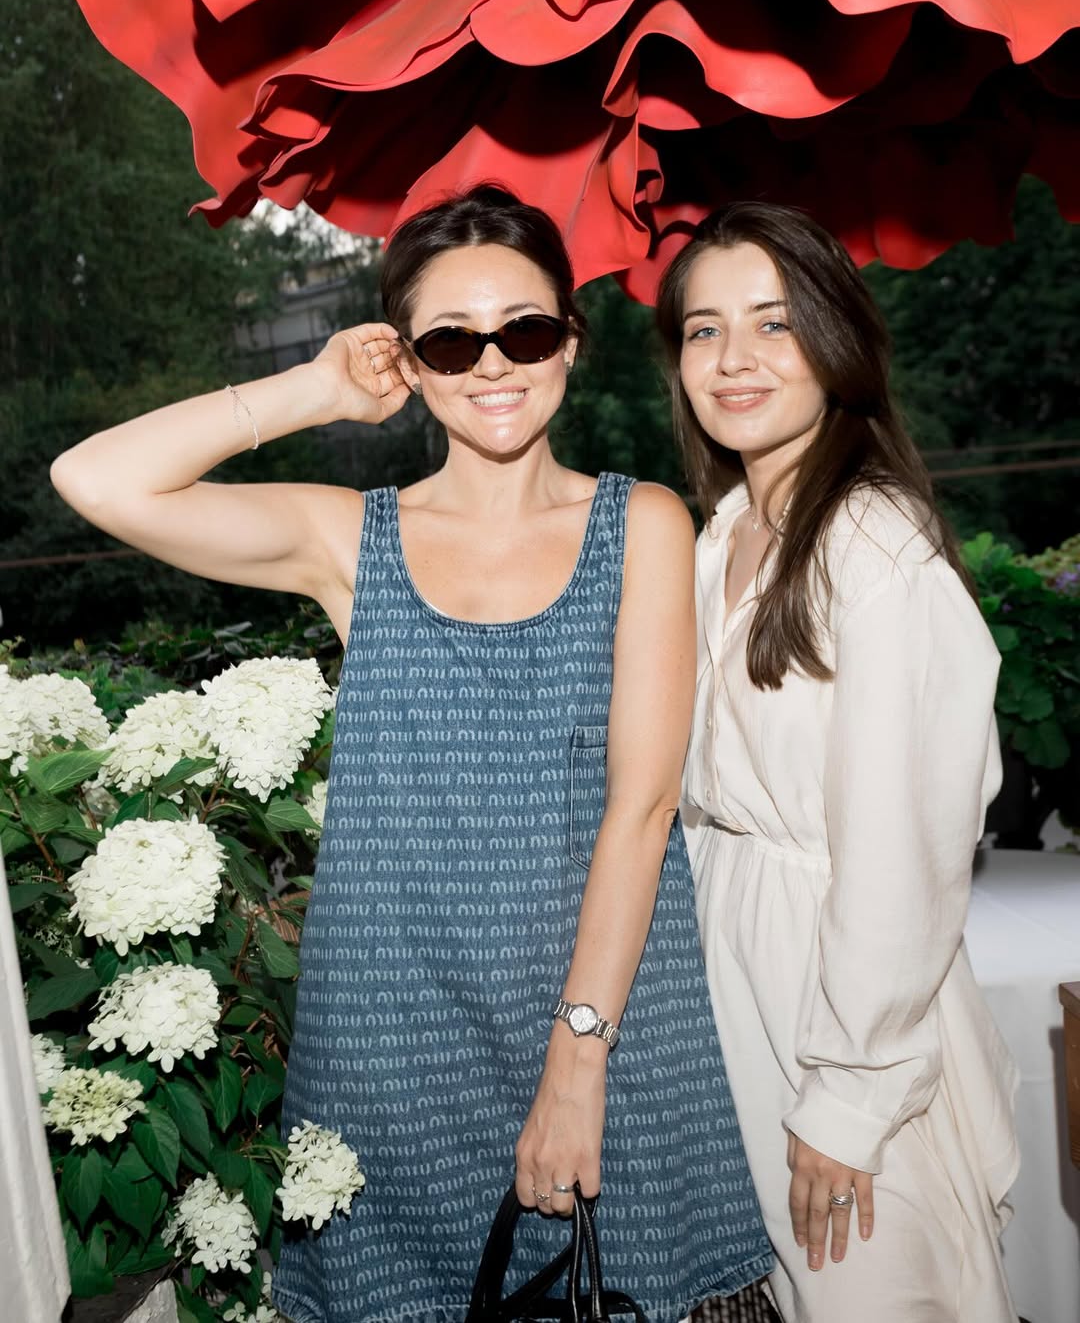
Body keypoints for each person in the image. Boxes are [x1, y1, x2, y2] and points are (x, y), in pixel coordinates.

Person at [52, 185, 772, 1323]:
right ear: (410, 362)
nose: (492, 364)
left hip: (603, 1015)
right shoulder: (352, 538)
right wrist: (316, 389)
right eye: (449, 340)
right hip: (395, 1037)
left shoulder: (641, 524)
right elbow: (96, 480)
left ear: (570, 343)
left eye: (524, 330)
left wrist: (577, 1065)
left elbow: (641, 811)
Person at [655, 202, 1020, 1323]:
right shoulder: (723, 533)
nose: (735, 358)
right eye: (705, 329)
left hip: (837, 995)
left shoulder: (873, 547)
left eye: (774, 322)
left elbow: (905, 851)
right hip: (731, 973)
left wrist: (852, 1098)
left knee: (879, 1291)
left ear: (837, 340)